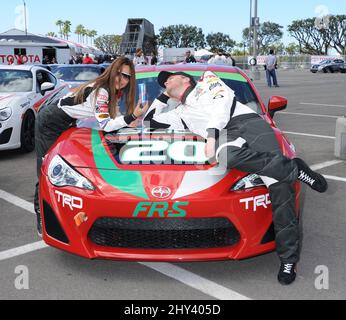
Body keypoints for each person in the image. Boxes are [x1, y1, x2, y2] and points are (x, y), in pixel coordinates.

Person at [143, 70, 328, 286]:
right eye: (162, 82)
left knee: (279, 187)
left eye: (169, 77)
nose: (165, 81)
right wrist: (164, 96)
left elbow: (223, 103)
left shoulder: (207, 79)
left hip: (247, 122)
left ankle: (288, 260)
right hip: (225, 137)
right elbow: (148, 122)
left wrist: (210, 135)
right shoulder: (179, 113)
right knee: (224, 156)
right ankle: (294, 168)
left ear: (185, 78)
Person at [34, 57, 150, 237]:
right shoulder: (102, 91)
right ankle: (42, 218)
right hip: (50, 121)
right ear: (112, 71)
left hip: (66, 120)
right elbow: (106, 124)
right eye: (119, 73)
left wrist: (129, 122)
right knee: (46, 168)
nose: (122, 79)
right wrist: (133, 115)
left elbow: (113, 119)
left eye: (127, 76)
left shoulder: (110, 91)